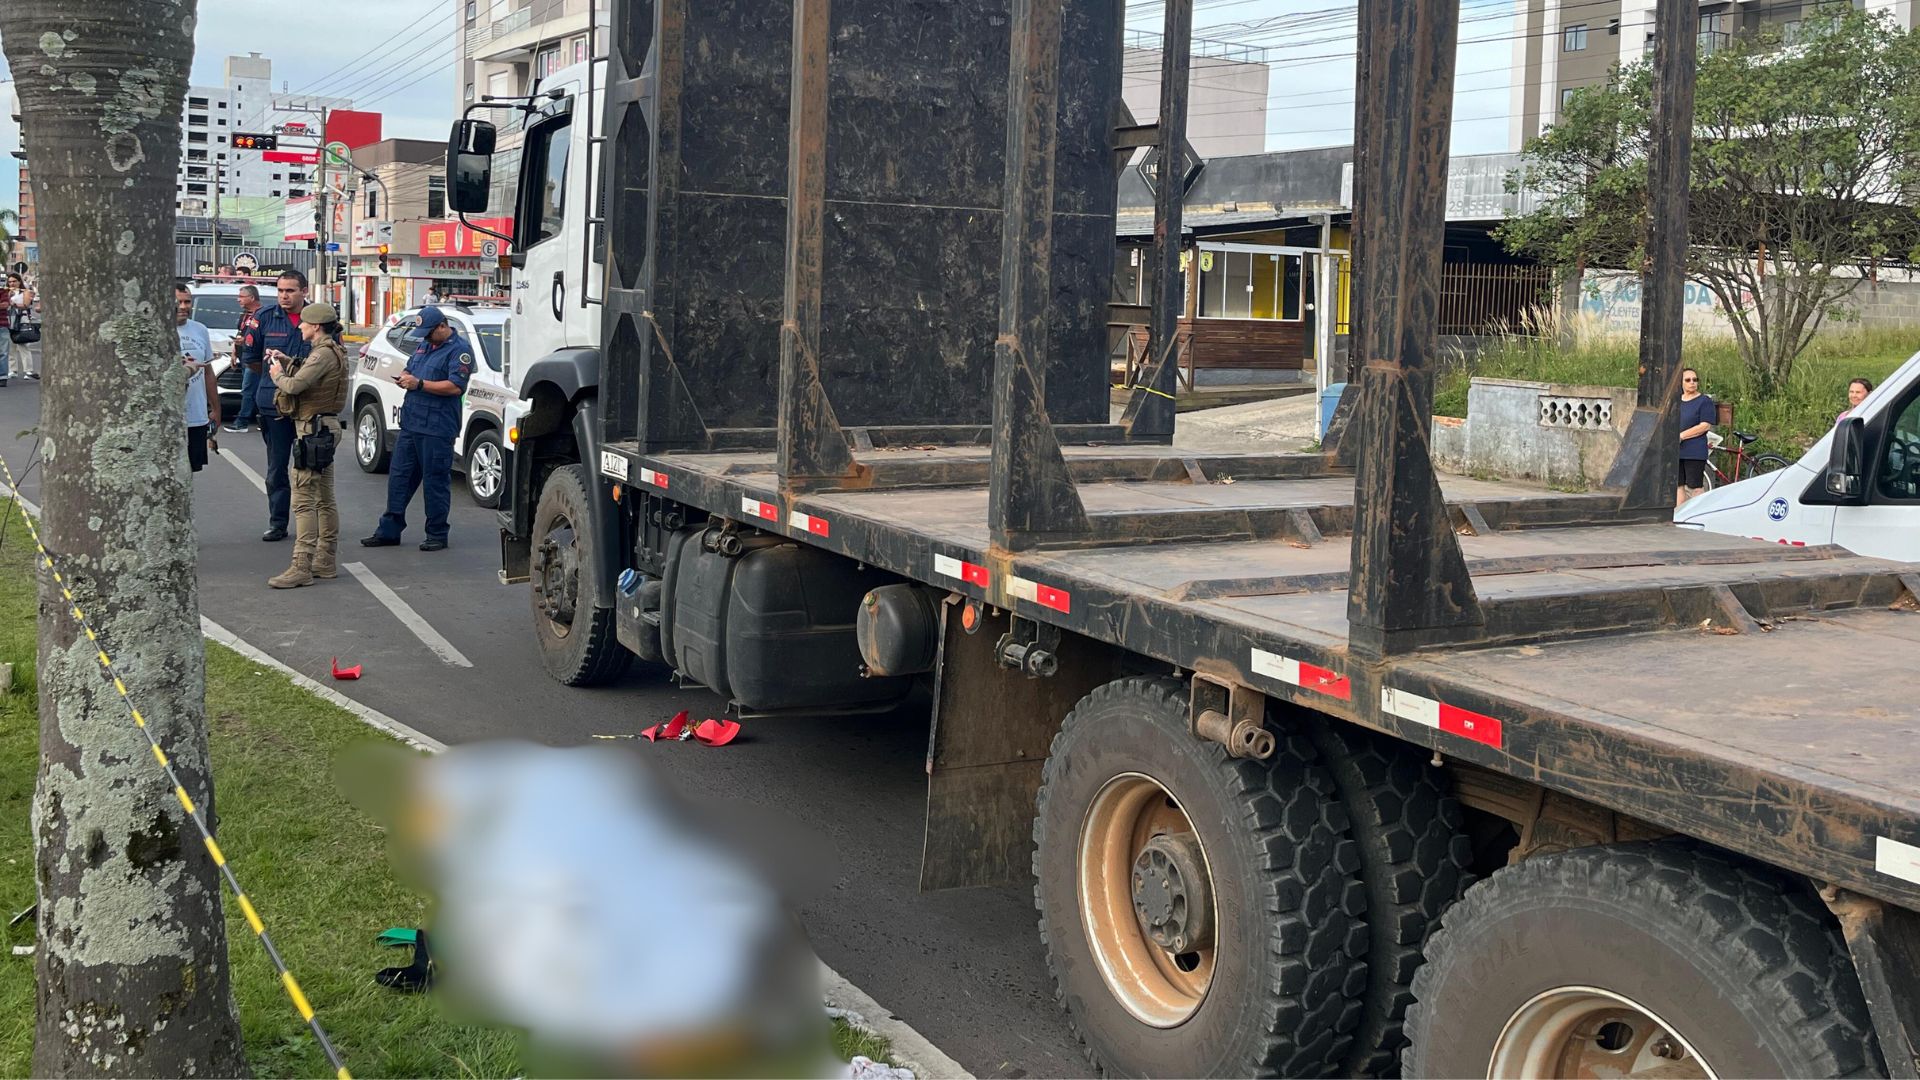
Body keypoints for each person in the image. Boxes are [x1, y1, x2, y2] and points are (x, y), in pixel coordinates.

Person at [361, 306, 472, 552]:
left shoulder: (460, 350)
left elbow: (455, 386)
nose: (424, 338)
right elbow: (411, 367)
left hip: (438, 426)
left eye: (429, 333)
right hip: (412, 422)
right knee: (399, 478)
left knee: (435, 481)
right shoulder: (425, 345)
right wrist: (405, 376)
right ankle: (389, 531)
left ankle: (436, 533)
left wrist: (420, 384)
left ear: (442, 327)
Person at [266, 301, 349, 588]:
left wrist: (278, 374)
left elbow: (294, 386)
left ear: (315, 326)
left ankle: (301, 565)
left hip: (312, 431)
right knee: (325, 498)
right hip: (323, 429)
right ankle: (325, 560)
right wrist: (287, 360)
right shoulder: (332, 350)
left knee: (303, 500)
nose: (299, 326)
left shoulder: (323, 353)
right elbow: (311, 377)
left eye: (303, 323)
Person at [237, 271, 311, 541]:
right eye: (280, 290)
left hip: (308, 405)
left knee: (310, 466)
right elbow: (253, 360)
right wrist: (277, 380)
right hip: (274, 405)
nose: (284, 296)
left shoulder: (318, 318)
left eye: (290, 290)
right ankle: (278, 522)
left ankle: (310, 523)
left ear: (304, 290)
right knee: (277, 467)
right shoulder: (265, 318)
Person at [176, 284, 221, 474]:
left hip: (196, 417)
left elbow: (208, 372)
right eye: (179, 302)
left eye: (188, 302)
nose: (184, 306)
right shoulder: (158, 331)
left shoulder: (200, 329)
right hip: (171, 417)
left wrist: (215, 408)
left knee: (191, 472)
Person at [223, 285, 266, 433]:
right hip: (243, 356)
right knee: (254, 390)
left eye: (241, 297)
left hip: (255, 359)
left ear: (252, 298)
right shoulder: (244, 315)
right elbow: (240, 334)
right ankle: (264, 419)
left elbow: (263, 338)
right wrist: (234, 352)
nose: (238, 299)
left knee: (248, 390)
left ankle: (242, 422)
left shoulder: (263, 315)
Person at [1677, 367, 1717, 506]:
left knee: (1695, 486)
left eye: (1695, 380)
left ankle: (1697, 514)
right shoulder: (1677, 401)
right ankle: (1678, 516)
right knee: (1678, 485)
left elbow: (1705, 425)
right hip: (1677, 451)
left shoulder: (1704, 401)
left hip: (1694, 451)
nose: (1692, 382)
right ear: (1681, 382)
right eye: (1688, 380)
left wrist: (1682, 435)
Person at [8, 273, 38, 381]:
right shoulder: (8, 292)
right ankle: (12, 370)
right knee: (10, 347)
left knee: (22, 345)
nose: (12, 283)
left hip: (21, 320)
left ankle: (28, 370)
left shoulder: (25, 292)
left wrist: (13, 304)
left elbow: (26, 304)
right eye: (10, 281)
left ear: (19, 281)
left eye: (14, 281)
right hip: (9, 319)